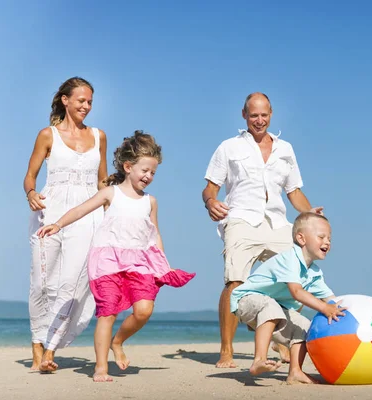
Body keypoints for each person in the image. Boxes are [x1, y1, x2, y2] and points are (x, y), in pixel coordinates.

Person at [37, 131, 196, 382]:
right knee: (107, 312)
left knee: (144, 310)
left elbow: (155, 234)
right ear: (128, 166)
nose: (149, 176)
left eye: (153, 173)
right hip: (107, 261)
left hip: (140, 262)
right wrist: (58, 224)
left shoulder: (150, 202)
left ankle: (118, 342)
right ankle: (101, 367)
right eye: (145, 170)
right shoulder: (110, 193)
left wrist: (162, 263)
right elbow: (80, 210)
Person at [202, 92, 323, 368]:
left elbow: (294, 192)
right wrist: (210, 202)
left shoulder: (286, 149)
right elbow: (210, 187)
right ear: (244, 115)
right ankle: (227, 350)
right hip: (241, 219)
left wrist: (308, 213)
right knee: (235, 282)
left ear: (271, 115)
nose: (259, 120)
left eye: (264, 115)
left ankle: (281, 336)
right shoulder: (228, 147)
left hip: (278, 223)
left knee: (296, 281)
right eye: (253, 115)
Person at [24, 77, 108, 372]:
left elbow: (102, 180)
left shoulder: (99, 136)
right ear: (65, 100)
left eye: (90, 102)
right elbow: (30, 176)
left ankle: (50, 350)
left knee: (72, 284)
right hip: (49, 212)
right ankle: (37, 345)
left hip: (86, 215)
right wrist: (31, 194)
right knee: (41, 283)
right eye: (81, 100)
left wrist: (113, 208)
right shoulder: (47, 135)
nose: (86, 106)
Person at [230, 212, 345, 384]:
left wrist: (350, 312)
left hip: (275, 308)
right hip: (247, 300)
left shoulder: (314, 273)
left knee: (305, 327)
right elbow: (296, 292)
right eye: (321, 236)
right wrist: (324, 308)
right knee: (270, 306)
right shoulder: (290, 259)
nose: (327, 242)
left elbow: (333, 300)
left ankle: (295, 372)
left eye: (329, 238)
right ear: (301, 238)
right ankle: (259, 360)